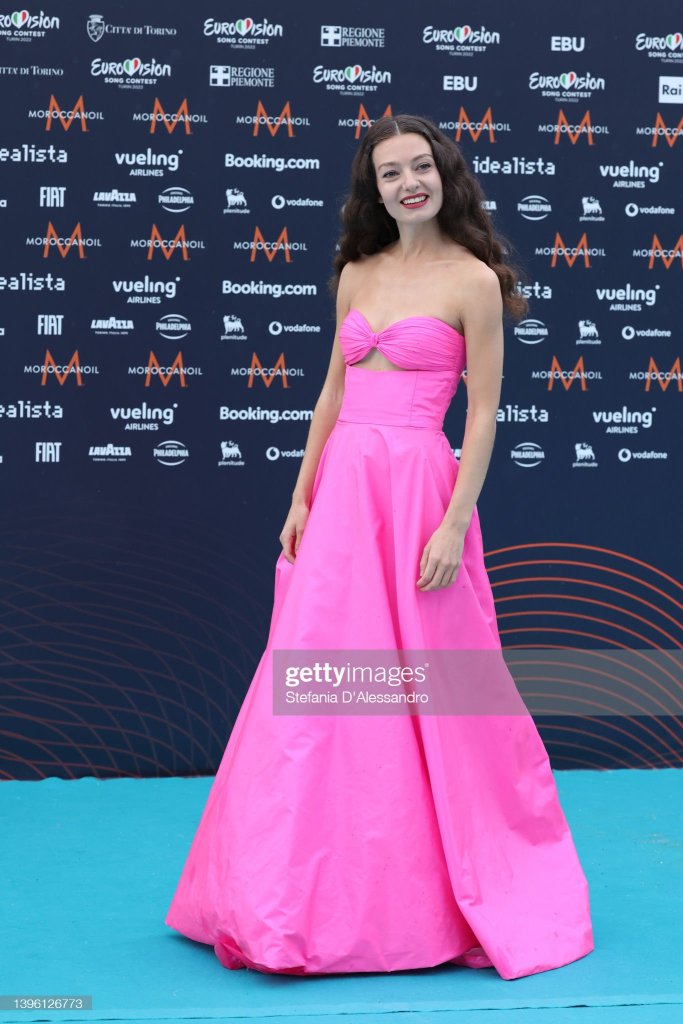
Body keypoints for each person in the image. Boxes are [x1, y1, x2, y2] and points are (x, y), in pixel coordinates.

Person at [164, 113, 595, 980]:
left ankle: (437, 891)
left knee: (434, 680)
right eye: (391, 172)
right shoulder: (355, 272)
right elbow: (331, 392)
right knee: (315, 676)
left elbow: (482, 413)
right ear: (374, 188)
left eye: (421, 167)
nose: (408, 183)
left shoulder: (472, 280)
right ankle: (289, 891)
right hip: (343, 493)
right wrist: (301, 492)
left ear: (445, 175)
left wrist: (453, 522)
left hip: (418, 494)